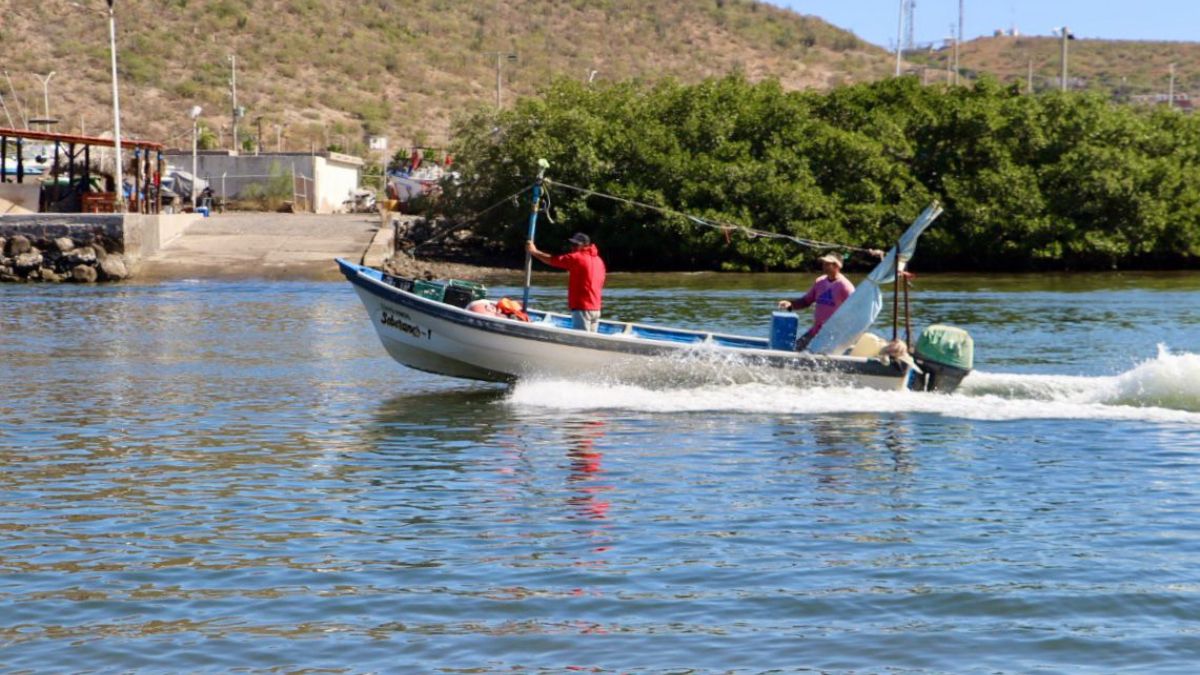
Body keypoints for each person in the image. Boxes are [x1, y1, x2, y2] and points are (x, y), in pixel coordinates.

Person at [526, 232, 606, 332]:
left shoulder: (577, 257)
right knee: (591, 340)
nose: (572, 247)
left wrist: (534, 251)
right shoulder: (599, 260)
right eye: (572, 244)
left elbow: (552, 260)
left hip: (582, 307)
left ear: (584, 245)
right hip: (596, 308)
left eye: (575, 245)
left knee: (580, 341)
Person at [778, 251, 854, 351]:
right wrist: (790, 304)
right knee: (795, 350)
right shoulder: (820, 282)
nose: (824, 266)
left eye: (827, 264)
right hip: (816, 331)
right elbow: (806, 301)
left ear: (837, 266)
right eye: (823, 263)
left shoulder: (845, 286)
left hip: (833, 335)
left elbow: (855, 310)